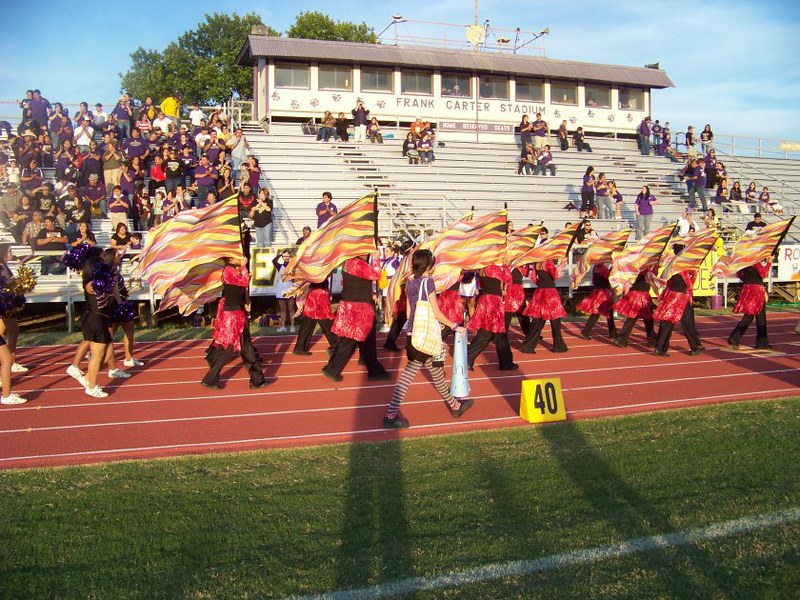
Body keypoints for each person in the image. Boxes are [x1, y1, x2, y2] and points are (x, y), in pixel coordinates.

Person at [382, 249, 473, 428]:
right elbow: (437, 312)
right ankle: (391, 415)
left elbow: (410, 313)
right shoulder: (428, 283)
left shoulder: (410, 283)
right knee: (407, 376)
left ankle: (455, 405)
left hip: (415, 334)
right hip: (423, 337)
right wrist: (455, 326)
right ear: (429, 265)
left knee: (437, 372)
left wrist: (430, 323)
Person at [201, 256, 271, 389]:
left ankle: (256, 379)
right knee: (229, 348)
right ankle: (211, 377)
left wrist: (244, 303)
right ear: (232, 258)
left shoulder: (233, 270)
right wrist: (244, 267)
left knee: (244, 347)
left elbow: (237, 290)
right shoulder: (229, 269)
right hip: (233, 316)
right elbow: (243, 282)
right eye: (240, 256)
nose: (243, 258)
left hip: (236, 312)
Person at [322, 255, 390, 382]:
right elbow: (376, 275)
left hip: (352, 305)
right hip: (359, 308)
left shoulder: (349, 263)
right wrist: (376, 258)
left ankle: (373, 370)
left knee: (358, 341)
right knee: (357, 340)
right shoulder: (358, 264)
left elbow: (346, 282)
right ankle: (333, 369)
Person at [67, 255, 119, 397]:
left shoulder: (103, 280)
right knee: (97, 355)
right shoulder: (90, 282)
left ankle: (88, 378)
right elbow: (95, 289)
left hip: (102, 319)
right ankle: (92, 386)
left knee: (105, 354)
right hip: (95, 319)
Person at [652, 244, 703, 357]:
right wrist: (694, 273)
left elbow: (667, 281)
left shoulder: (671, 265)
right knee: (680, 323)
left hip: (671, 295)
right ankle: (693, 347)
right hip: (680, 297)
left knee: (669, 323)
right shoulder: (681, 267)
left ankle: (661, 348)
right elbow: (689, 284)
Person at [466, 263, 517, 371]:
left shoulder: (482, 269)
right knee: (499, 333)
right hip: (493, 302)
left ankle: (468, 359)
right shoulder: (493, 268)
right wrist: (507, 267)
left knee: (486, 333)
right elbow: (508, 280)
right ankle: (506, 363)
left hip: (484, 300)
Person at [519, 260, 568, 354]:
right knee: (555, 321)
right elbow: (555, 275)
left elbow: (533, 278)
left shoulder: (537, 264)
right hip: (550, 293)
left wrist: (541, 284)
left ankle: (528, 346)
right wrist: (561, 265)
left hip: (539, 293)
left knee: (537, 321)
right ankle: (559, 346)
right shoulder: (548, 262)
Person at [728, 259, 771, 350]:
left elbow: (739, 274)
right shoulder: (755, 261)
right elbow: (763, 274)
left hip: (747, 289)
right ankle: (762, 343)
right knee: (760, 317)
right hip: (757, 290)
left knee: (749, 316)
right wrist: (769, 263)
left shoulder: (744, 261)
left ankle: (734, 338)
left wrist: (748, 280)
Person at [0, 244, 30, 373]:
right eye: (9, 251)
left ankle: (11, 361)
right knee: (7, 332)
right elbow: (4, 283)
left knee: (10, 331)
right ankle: (8, 361)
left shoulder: (4, 265)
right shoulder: (1, 267)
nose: (11, 253)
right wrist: (17, 281)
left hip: (8, 303)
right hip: (3, 303)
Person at [292, 276, 338, 356]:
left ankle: (299, 347)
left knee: (309, 321)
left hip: (314, 293)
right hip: (320, 294)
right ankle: (336, 345)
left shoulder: (313, 266)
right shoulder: (320, 266)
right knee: (325, 320)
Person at [613, 270, 657, 349]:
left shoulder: (634, 268)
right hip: (642, 295)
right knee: (647, 319)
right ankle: (651, 341)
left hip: (634, 293)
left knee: (635, 318)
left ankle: (621, 338)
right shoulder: (646, 269)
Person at [577, 263, 617, 340]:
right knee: (599, 313)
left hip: (598, 292)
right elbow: (610, 278)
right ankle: (585, 331)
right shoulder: (602, 268)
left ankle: (613, 333)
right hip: (603, 293)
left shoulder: (596, 267)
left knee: (605, 313)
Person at [272, 250, 296, 332]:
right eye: (284, 256)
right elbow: (273, 261)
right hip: (281, 289)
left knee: (291, 309)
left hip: (290, 289)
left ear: (290, 257)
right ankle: (283, 326)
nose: (286, 258)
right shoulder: (280, 266)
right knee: (282, 309)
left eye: (287, 256)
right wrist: (280, 254)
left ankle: (292, 326)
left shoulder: (293, 266)